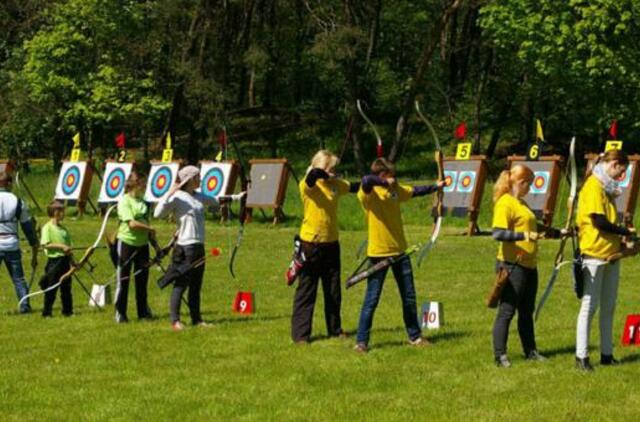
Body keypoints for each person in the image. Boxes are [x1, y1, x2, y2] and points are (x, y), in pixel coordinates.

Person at [353, 158, 444, 353]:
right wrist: (385, 183)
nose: (394, 178)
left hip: (400, 252)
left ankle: (415, 336)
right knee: (372, 298)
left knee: (409, 296)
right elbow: (366, 180)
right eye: (390, 175)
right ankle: (361, 342)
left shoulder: (396, 191)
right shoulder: (369, 194)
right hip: (378, 253)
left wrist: (436, 186)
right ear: (383, 175)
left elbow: (414, 191)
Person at [154, 165, 245, 331]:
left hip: (198, 246)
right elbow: (157, 213)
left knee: (196, 284)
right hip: (185, 247)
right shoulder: (178, 197)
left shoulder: (197, 196)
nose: (201, 179)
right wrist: (169, 193)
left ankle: (197, 320)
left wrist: (238, 197)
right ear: (190, 180)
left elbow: (216, 200)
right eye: (198, 177)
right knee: (181, 284)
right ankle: (175, 321)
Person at [491, 164, 563, 368]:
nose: (530, 188)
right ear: (520, 182)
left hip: (529, 265)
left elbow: (533, 226)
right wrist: (525, 236)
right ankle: (500, 355)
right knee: (507, 310)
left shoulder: (521, 203)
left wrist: (558, 233)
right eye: (528, 184)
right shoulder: (505, 203)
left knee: (526, 311)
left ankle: (530, 351)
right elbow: (498, 233)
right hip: (512, 265)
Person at [291, 150, 360, 344]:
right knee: (307, 290)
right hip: (310, 244)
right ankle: (301, 335)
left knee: (333, 291)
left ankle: (335, 330)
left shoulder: (335, 185)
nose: (335, 172)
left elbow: (357, 186)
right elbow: (313, 176)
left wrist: (376, 181)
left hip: (331, 243)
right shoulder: (308, 184)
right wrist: (322, 172)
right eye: (332, 168)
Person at [575, 149, 630, 371]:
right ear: (614, 163)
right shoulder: (593, 186)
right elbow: (598, 221)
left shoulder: (606, 189)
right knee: (590, 306)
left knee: (609, 306)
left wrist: (622, 237)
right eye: (620, 171)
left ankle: (607, 354)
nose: (620, 177)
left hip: (611, 254)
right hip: (595, 253)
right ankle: (582, 356)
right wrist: (622, 231)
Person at [114, 170, 161, 323]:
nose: (145, 186)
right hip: (126, 243)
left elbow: (147, 224)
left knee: (142, 280)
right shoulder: (124, 201)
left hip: (142, 245)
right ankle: (120, 313)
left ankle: (143, 312)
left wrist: (156, 246)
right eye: (143, 183)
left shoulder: (143, 202)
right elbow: (132, 224)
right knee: (124, 279)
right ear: (136, 184)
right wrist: (149, 229)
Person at [0, 171, 38, 313]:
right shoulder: (17, 201)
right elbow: (27, 226)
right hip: (12, 245)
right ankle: (25, 306)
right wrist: (34, 242)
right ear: (9, 183)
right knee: (19, 279)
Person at [39, 201, 73, 317]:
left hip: (65, 262)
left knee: (66, 288)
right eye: (62, 211)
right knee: (51, 288)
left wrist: (72, 262)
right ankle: (47, 312)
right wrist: (62, 246)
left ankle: (68, 311)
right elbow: (45, 244)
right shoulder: (47, 228)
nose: (64, 214)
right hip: (54, 262)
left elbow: (69, 248)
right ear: (55, 212)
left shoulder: (64, 230)